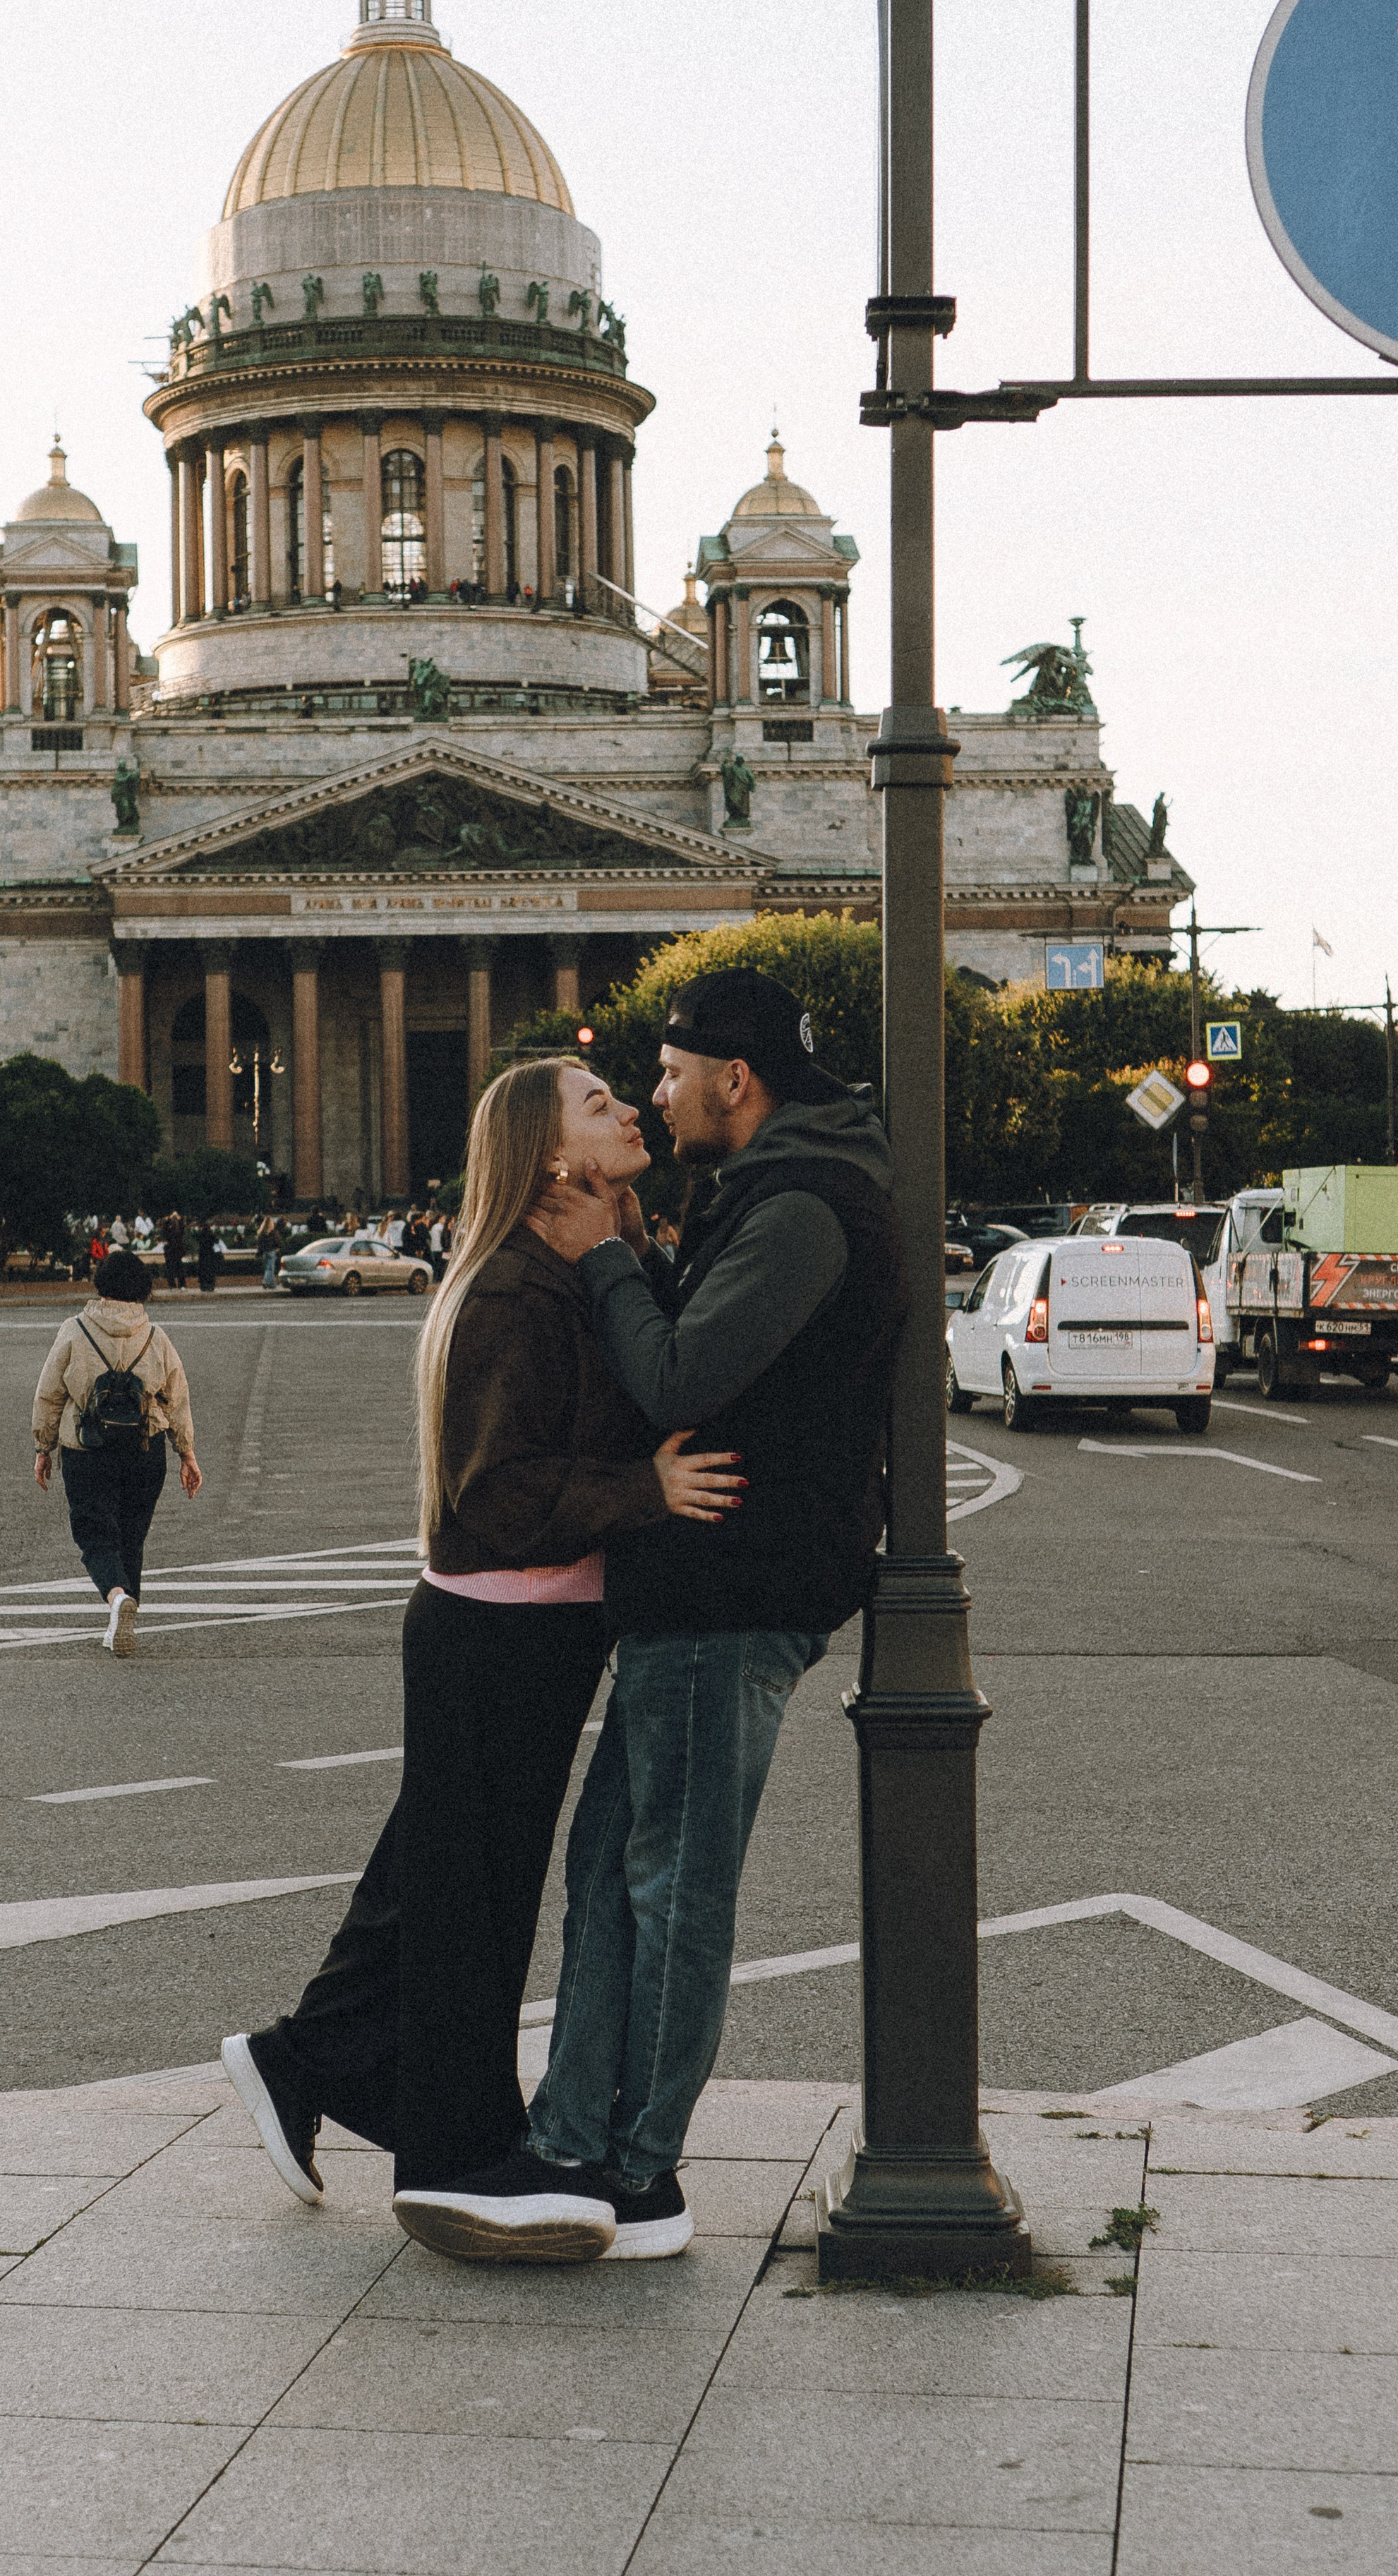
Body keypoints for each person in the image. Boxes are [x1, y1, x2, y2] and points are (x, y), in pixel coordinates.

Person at [219, 1057, 739, 2264]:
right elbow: (496, 1490)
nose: (628, 1111)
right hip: (500, 1618)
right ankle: (453, 2151)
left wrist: (627, 1252)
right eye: (599, 1106)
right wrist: (645, 1491)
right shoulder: (512, 1288)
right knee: (473, 1899)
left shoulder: (559, 1267)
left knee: (439, 1876)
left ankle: (298, 2062)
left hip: (530, 1621)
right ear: (551, 1158)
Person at [524, 967, 908, 2258]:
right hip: (698, 1585)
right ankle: (569, 2136)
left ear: (735, 1081)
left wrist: (606, 1261)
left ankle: (643, 2175)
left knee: (671, 1886)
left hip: (734, 1587)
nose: (655, 1093)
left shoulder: (804, 1205)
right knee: (610, 1873)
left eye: (672, 1073)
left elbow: (683, 1370)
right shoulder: (772, 1186)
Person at [32, 1248, 204, 1656]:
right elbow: (176, 1399)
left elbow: (49, 1393)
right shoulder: (155, 1337)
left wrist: (43, 1447)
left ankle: (116, 1600)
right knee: (133, 1535)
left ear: (100, 1284)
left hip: (86, 1449)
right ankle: (125, 1615)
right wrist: (187, 1454)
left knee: (94, 1534)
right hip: (146, 1451)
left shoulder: (74, 1330)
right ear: (143, 1289)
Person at [162, 1211, 186, 1292]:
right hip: (171, 1250)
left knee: (178, 1268)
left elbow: (183, 1230)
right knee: (173, 1268)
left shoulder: (178, 1229)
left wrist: (180, 1220)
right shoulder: (169, 1227)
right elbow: (164, 1232)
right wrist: (168, 1220)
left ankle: (180, 1285)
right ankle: (174, 1285)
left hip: (175, 1250)